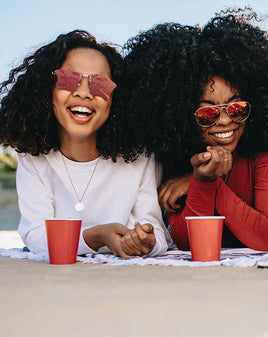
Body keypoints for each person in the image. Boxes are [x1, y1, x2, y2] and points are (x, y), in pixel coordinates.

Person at [121, 13, 268, 251]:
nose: (226, 120)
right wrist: (203, 180)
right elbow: (187, 242)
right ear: (182, 115)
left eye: (237, 108)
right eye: (208, 114)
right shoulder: (176, 152)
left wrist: (205, 183)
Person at [0, 30, 171, 257]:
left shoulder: (139, 158)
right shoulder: (33, 158)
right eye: (68, 79)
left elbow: (156, 232)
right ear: (46, 88)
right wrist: (95, 236)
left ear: (117, 98)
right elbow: (35, 235)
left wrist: (147, 241)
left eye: (100, 84)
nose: (84, 93)